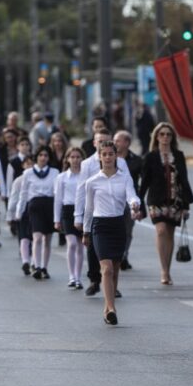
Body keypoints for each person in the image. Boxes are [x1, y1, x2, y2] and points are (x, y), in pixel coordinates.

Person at [83, 141, 141, 325]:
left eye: (111, 154)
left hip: (118, 224)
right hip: (100, 226)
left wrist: (134, 204)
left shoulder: (124, 177)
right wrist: (86, 231)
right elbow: (89, 208)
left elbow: (131, 195)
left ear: (116, 156)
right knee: (106, 268)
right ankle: (112, 309)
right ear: (99, 157)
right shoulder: (92, 182)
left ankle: (108, 307)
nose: (108, 157)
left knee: (115, 269)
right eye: (104, 154)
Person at [74, 129, 131, 297]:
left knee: (114, 260)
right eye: (100, 142)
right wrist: (78, 215)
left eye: (106, 141)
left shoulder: (120, 163)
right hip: (97, 215)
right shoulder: (87, 164)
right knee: (94, 251)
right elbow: (81, 191)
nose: (107, 155)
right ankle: (94, 280)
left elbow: (129, 186)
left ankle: (112, 286)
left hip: (117, 211)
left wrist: (134, 203)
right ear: (95, 144)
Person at [138, 123, 193, 285]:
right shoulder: (150, 157)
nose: (165, 137)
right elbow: (145, 182)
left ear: (172, 137)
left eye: (168, 134)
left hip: (176, 201)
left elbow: (184, 181)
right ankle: (163, 270)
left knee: (170, 234)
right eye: (162, 134)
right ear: (156, 137)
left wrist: (186, 205)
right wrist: (139, 202)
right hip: (156, 201)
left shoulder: (178, 155)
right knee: (161, 230)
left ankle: (168, 270)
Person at [16, 146, 59, 279]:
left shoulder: (54, 172)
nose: (43, 158)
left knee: (47, 239)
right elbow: (23, 193)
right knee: (37, 237)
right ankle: (36, 265)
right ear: (37, 157)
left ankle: (44, 267)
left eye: (46, 155)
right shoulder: (28, 173)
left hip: (49, 205)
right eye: (41, 155)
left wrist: (58, 214)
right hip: (34, 206)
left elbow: (57, 194)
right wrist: (19, 211)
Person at [54, 148, 85, 288]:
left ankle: (78, 277)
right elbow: (58, 199)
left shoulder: (86, 176)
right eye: (72, 157)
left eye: (78, 157)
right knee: (71, 243)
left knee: (80, 245)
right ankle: (71, 276)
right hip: (67, 210)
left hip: (82, 211)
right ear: (67, 159)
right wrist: (56, 219)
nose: (75, 159)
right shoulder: (62, 177)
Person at [114, 130, 143, 271]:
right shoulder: (109, 158)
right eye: (115, 140)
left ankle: (124, 255)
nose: (115, 143)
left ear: (127, 143)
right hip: (112, 200)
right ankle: (115, 255)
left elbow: (143, 184)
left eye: (119, 140)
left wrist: (140, 206)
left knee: (127, 230)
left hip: (130, 201)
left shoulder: (136, 160)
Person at [7, 155, 34, 275]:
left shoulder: (36, 179)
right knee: (24, 237)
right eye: (27, 164)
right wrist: (10, 215)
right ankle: (25, 261)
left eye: (32, 164)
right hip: (22, 211)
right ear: (23, 166)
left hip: (35, 210)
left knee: (35, 238)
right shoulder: (19, 180)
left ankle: (34, 262)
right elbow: (13, 198)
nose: (30, 166)